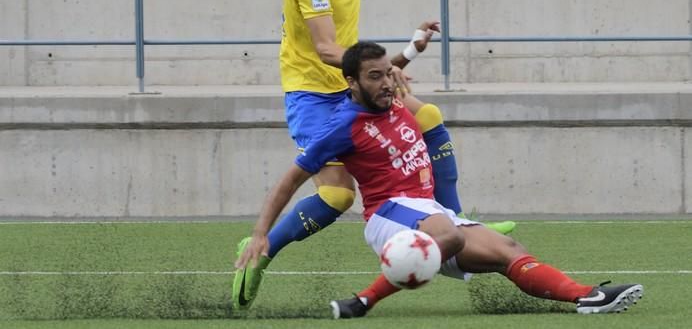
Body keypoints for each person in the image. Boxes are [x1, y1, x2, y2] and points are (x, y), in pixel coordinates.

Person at [232, 0, 514, 311]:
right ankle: (264, 249)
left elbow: (345, 49)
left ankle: (455, 219)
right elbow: (328, 49)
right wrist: (381, 69)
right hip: (313, 95)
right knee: (337, 197)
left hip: (351, 87)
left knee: (429, 116)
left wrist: (397, 59)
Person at [235, 41, 644, 318]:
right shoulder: (342, 126)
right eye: (374, 77)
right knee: (449, 234)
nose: (386, 83)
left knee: (507, 249)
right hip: (388, 213)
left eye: (387, 74)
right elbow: (289, 180)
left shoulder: (391, 96)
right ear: (352, 83)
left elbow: (393, 72)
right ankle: (363, 301)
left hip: (425, 210)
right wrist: (260, 234)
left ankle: (586, 296)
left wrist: (412, 47)